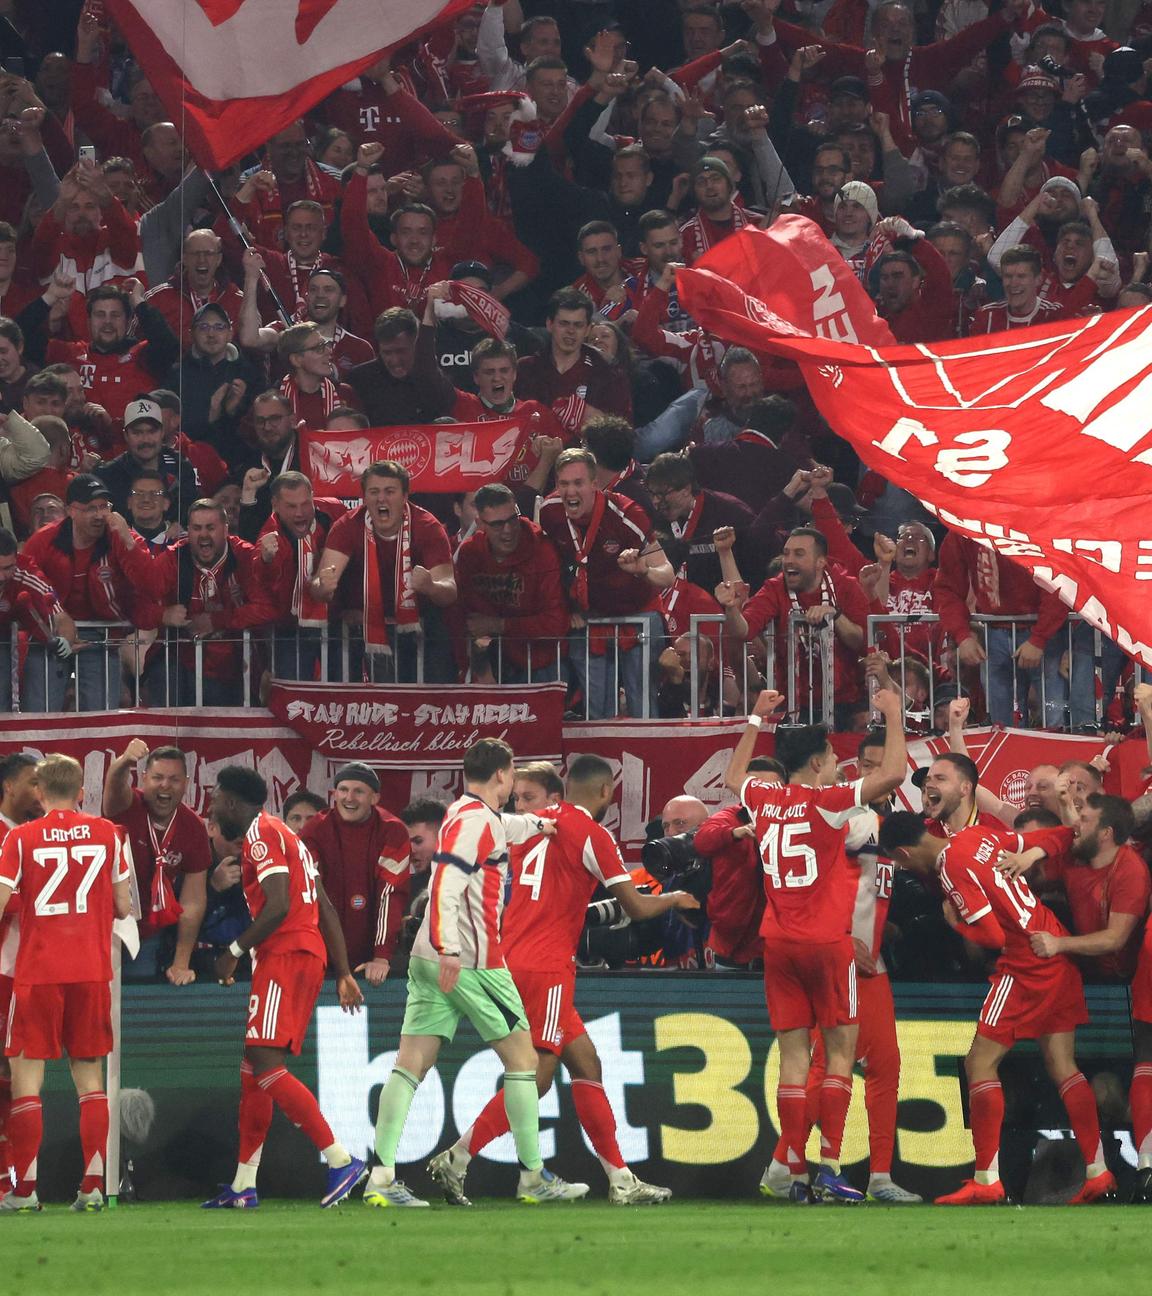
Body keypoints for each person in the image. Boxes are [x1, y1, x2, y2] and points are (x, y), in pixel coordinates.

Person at [428, 756, 698, 1205]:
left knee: (586, 1063)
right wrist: (673, 898)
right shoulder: (592, 834)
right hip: (546, 966)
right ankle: (459, 1157)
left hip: (509, 956)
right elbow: (635, 907)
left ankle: (620, 1180)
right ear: (606, 794)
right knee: (535, 1075)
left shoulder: (527, 824)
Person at [363, 738, 584, 1207]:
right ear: (503, 774)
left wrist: (544, 824)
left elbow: (509, 825)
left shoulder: (466, 815)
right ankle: (532, 1178)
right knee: (524, 1063)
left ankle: (380, 1179)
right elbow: (445, 882)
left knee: (411, 1065)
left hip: (431, 958)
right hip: (470, 960)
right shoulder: (476, 823)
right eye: (511, 780)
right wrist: (449, 948)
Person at [723, 685, 908, 1203]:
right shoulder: (827, 805)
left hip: (777, 943)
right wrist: (893, 714)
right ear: (817, 762)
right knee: (841, 1055)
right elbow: (892, 775)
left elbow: (736, 777)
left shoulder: (763, 799)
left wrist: (755, 719)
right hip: (828, 944)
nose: (835, 765)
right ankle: (829, 1165)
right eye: (830, 757)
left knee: (794, 1062)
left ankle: (796, 1173)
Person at [878, 809, 1116, 1205]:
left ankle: (987, 1180)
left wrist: (954, 921)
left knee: (979, 1064)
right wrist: (1032, 854)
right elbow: (1062, 833)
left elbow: (988, 934)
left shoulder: (950, 869)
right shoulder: (975, 837)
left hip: (1024, 967)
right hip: (1054, 948)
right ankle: (1098, 1170)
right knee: (1062, 1065)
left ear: (903, 853)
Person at [202, 765, 367, 1210]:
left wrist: (233, 950)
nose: (213, 808)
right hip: (302, 953)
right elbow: (326, 906)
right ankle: (243, 1185)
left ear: (233, 802)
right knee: (253, 1068)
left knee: (265, 1061)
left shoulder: (262, 833)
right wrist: (344, 970)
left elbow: (277, 906)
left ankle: (340, 1159)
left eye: (216, 800)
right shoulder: (288, 836)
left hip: (286, 954)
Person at [0, 753, 131, 1212]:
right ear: (81, 792)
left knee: (26, 1081)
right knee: (90, 1080)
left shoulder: (20, 837)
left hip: (37, 973)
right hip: (91, 971)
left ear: (38, 791)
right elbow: (123, 906)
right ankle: (93, 1187)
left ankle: (23, 1193)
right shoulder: (109, 836)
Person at [538, 448, 674, 719]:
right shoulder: (550, 513)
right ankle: (598, 760)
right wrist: (569, 606)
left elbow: (666, 573)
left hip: (638, 615)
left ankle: (645, 756)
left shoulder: (627, 514)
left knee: (641, 705)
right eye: (563, 484)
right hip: (591, 618)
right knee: (596, 711)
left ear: (595, 484)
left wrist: (643, 570)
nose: (570, 492)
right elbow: (549, 569)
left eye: (578, 483)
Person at [309, 459, 457, 683]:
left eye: (390, 491)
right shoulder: (347, 526)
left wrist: (431, 586)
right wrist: (323, 587)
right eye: (374, 491)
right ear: (364, 497)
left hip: (419, 629)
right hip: (361, 629)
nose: (381, 499)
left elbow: (449, 591)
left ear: (405, 496)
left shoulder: (428, 527)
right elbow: (320, 585)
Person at [22, 474, 158, 712]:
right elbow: (24, 586)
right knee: (40, 710)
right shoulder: (43, 541)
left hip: (101, 636)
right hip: (50, 635)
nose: (99, 515)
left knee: (100, 713)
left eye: (104, 507)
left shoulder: (119, 535)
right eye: (90, 509)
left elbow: (151, 584)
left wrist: (128, 541)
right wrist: (53, 625)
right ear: (70, 511)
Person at [141, 499, 280, 706]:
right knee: (163, 682)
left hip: (234, 666)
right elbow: (139, 604)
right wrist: (163, 614)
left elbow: (268, 608)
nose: (203, 535)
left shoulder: (244, 556)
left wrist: (217, 620)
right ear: (188, 531)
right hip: (178, 663)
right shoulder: (173, 559)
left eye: (210, 528)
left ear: (225, 530)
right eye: (197, 528)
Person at [103, 741, 212, 986]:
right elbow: (114, 787)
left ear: (185, 783)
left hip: (148, 933)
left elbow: (193, 900)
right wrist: (123, 762)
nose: (165, 785)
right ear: (143, 779)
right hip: (105, 926)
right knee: (102, 1000)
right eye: (157, 777)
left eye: (174, 779)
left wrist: (181, 962)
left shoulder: (193, 828)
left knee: (137, 998)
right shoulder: (127, 805)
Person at [299, 763, 411, 987]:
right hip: (321, 952)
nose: (349, 798)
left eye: (358, 791)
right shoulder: (315, 830)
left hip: (370, 959)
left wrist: (381, 955)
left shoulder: (392, 830)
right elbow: (311, 895)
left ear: (375, 798)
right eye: (343, 790)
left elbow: (390, 895)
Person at [452, 483, 570, 683]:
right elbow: (469, 617)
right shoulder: (470, 553)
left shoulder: (541, 549)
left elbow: (556, 622)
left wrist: (499, 625)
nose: (507, 530)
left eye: (512, 520)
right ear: (480, 523)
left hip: (543, 662)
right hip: (492, 659)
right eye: (497, 524)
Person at [0, 753, 42, 1186]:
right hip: (4, 969)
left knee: (16, 1075)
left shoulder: (35, 835)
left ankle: (15, 1178)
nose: (39, 790)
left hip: (25, 972)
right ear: (10, 786)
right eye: (33, 782)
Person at [515, 289, 632, 438]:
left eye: (578, 325)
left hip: (587, 458)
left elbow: (624, 435)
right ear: (549, 325)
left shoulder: (608, 373)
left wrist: (593, 418)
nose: (570, 331)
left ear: (588, 329)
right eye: (564, 324)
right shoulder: (525, 369)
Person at [95, 397, 199, 521]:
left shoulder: (182, 469)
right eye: (137, 433)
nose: (145, 440)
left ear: (161, 433)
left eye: (151, 431)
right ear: (126, 435)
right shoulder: (107, 475)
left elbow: (191, 518)